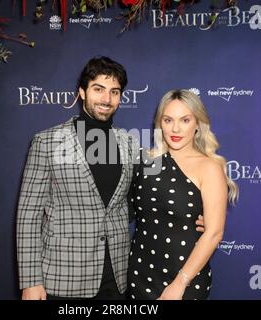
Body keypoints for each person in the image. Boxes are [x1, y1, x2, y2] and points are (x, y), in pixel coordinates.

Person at [16, 57, 205, 300]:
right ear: (82, 92)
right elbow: (28, 216)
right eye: (98, 89)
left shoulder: (129, 143)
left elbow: (154, 194)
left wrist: (196, 215)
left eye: (114, 92)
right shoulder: (47, 142)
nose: (106, 99)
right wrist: (31, 281)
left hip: (118, 277)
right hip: (62, 277)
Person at [128, 89, 238, 300]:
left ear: (198, 124)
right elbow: (124, 211)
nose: (175, 128)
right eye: (168, 120)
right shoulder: (146, 163)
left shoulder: (209, 168)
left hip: (185, 279)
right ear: (160, 124)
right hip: (139, 276)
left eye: (185, 120)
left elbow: (214, 233)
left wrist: (179, 284)